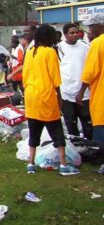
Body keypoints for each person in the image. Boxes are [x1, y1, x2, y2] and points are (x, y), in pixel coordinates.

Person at [23, 24, 79, 175]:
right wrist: (59, 97)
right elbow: (55, 78)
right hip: (46, 95)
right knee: (56, 131)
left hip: (31, 95)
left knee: (34, 131)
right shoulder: (49, 52)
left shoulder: (30, 52)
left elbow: (25, 75)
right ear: (48, 37)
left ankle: (31, 163)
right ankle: (63, 165)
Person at [57, 23, 92, 139]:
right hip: (66, 93)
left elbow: (90, 67)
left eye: (77, 32)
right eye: (72, 33)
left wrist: (83, 91)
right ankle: (76, 148)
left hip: (84, 93)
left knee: (87, 122)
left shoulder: (85, 47)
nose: (75, 35)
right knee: (70, 123)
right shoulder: (58, 48)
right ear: (65, 35)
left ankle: (90, 148)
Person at [77, 13, 104, 149]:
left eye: (91, 26)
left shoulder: (98, 43)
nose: (89, 30)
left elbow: (90, 72)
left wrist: (81, 92)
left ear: (100, 26)